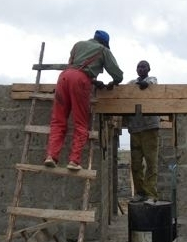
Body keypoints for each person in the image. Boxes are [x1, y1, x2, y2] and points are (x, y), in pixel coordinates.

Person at [44, 30, 123, 170]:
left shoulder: (78, 45)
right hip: (80, 80)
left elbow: (74, 65)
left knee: (58, 121)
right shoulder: (103, 49)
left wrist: (92, 81)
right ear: (105, 42)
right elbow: (117, 74)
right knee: (80, 123)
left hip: (63, 78)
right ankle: (74, 161)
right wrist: (113, 82)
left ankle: (51, 156)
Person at [125, 60, 160, 204]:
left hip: (150, 127)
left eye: (143, 66)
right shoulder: (132, 83)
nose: (141, 69)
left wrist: (146, 86)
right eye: (138, 66)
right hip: (135, 128)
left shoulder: (152, 80)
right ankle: (140, 193)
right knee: (136, 164)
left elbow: (152, 84)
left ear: (149, 69)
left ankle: (151, 194)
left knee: (151, 162)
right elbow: (123, 91)